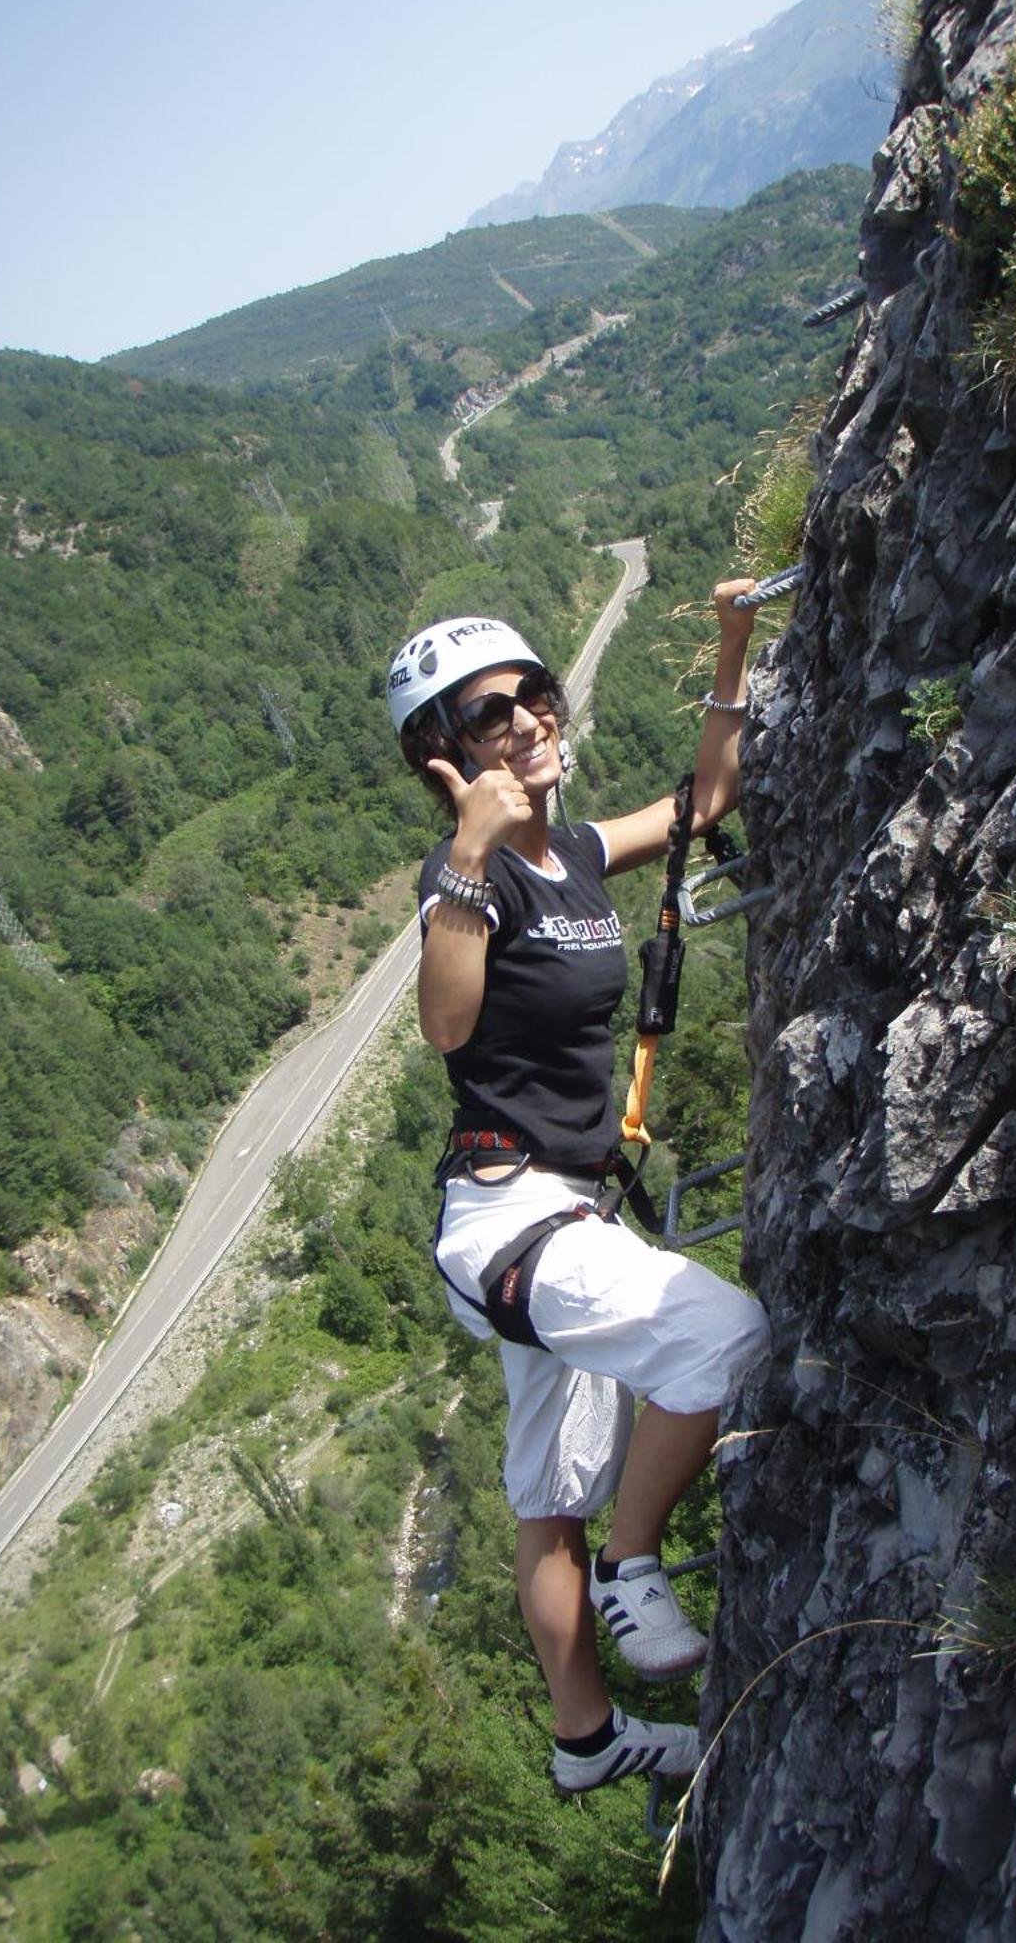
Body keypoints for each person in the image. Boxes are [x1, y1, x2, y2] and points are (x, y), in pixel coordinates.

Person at [386, 581, 771, 1794]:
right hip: (509, 1218)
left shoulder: (579, 852)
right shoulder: (481, 880)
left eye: (535, 695)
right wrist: (467, 850)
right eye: (492, 715)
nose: (528, 721)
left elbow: (706, 802)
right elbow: (447, 1026)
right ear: (447, 757)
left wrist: (732, 643)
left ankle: (585, 1740)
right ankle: (635, 1562)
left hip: (563, 1213)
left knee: (546, 1499)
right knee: (727, 1335)